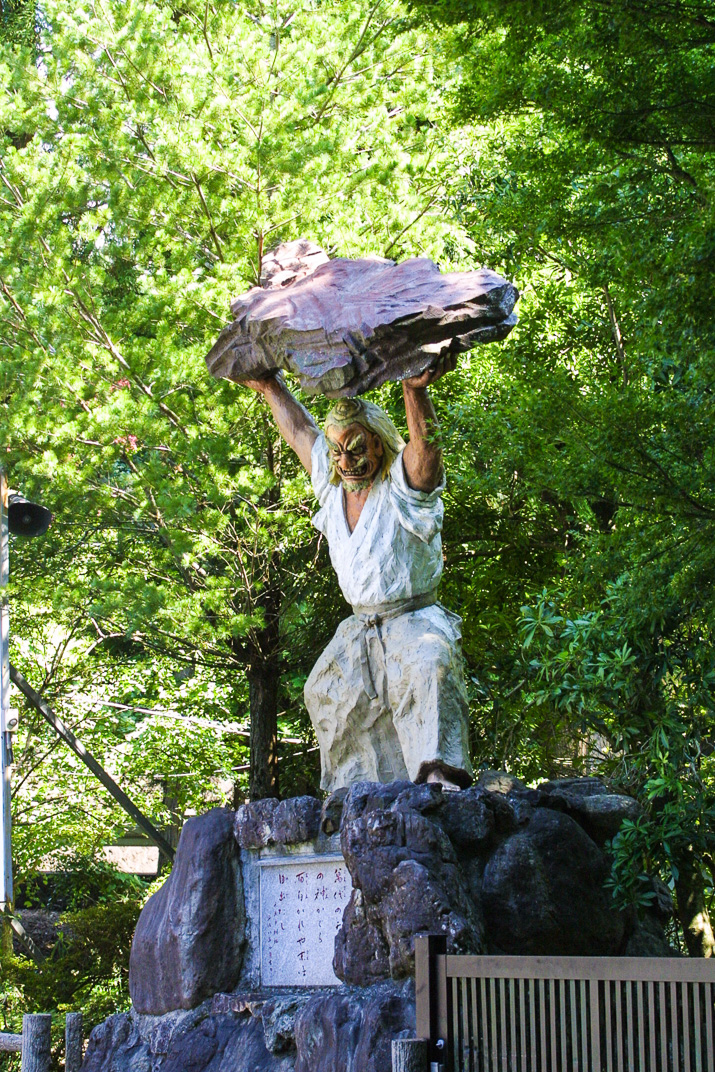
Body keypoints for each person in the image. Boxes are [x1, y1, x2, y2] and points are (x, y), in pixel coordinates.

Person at [243, 359, 473, 792]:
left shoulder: (402, 487)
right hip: (360, 627)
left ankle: (440, 782)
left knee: (431, 666)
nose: (345, 461)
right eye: (337, 450)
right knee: (324, 688)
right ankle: (352, 792)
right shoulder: (331, 488)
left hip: (414, 620)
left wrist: (414, 389)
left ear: (380, 446)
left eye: (356, 449)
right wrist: (270, 387)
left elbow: (426, 455)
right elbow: (299, 433)